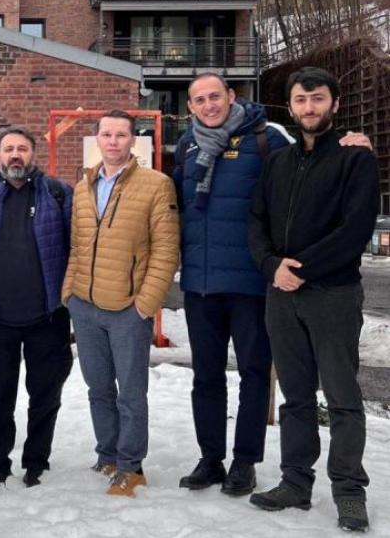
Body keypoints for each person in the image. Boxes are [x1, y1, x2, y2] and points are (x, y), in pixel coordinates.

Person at [247, 67, 379, 533]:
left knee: (343, 398)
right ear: (291, 106)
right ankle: (295, 483)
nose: (309, 108)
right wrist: (271, 267)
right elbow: (256, 222)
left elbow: (356, 228)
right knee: (295, 397)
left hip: (333, 296)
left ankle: (348, 492)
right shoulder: (277, 163)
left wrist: (297, 270)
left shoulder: (355, 159)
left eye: (318, 99)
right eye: (301, 100)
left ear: (335, 104)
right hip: (281, 297)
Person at [172, 73, 292, 496]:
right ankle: (211, 458)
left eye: (214, 96)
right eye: (199, 99)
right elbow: (179, 209)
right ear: (190, 107)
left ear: (231, 96)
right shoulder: (187, 146)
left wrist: (351, 145)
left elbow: (306, 178)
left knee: (254, 374)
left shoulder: (266, 139)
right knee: (205, 376)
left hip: (250, 283)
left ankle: (245, 462)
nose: (208, 105)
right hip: (200, 285)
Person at [62, 109, 179, 498]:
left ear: (133, 140)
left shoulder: (156, 185)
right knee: (98, 389)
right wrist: (70, 292)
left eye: (121, 135)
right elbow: (77, 246)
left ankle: (131, 466)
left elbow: (165, 251)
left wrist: (145, 304)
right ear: (98, 139)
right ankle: (108, 454)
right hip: (86, 306)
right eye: (107, 134)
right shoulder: (83, 186)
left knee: (130, 392)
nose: (113, 141)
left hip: (128, 309)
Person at [0, 126, 73, 493]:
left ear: (33, 154)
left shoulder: (58, 194)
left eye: (23, 149)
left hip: (47, 316)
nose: (16, 155)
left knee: (45, 394)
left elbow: (78, 247)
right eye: (9, 148)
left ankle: (36, 461)